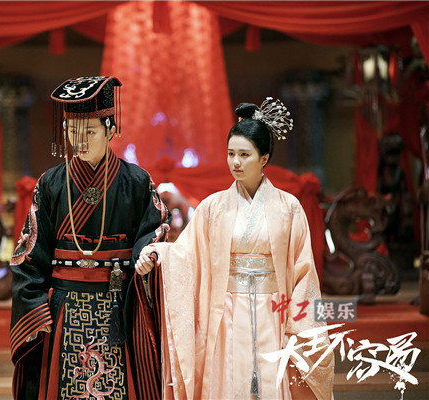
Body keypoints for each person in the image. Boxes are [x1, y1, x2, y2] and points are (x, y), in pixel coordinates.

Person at [136, 98, 335, 399]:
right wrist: (158, 254)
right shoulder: (213, 207)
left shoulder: (289, 208)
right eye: (231, 154)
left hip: (273, 311)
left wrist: (298, 323)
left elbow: (303, 271)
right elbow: (186, 253)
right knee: (229, 380)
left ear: (264, 158)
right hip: (226, 310)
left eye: (244, 154)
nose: (235, 162)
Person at [10, 76, 171, 400]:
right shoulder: (51, 183)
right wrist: (35, 306)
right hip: (64, 306)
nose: (79, 140)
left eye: (90, 132)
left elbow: (154, 230)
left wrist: (147, 254)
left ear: (111, 130)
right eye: (72, 131)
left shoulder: (137, 181)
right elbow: (30, 249)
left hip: (119, 304)